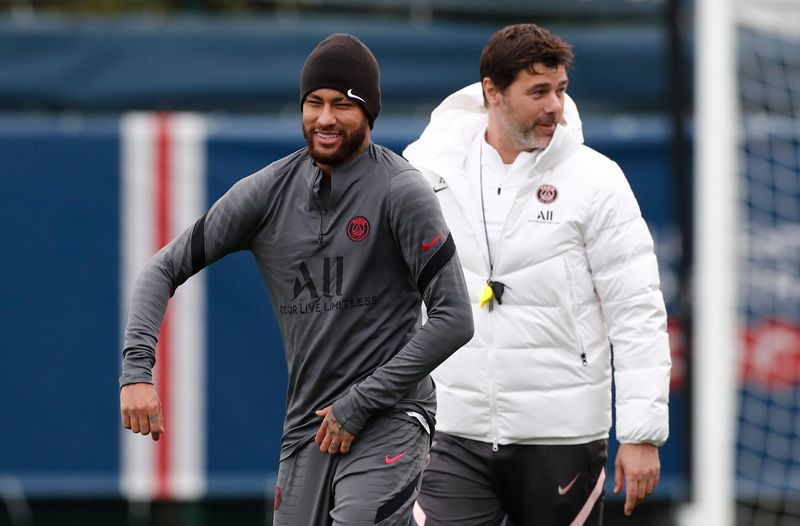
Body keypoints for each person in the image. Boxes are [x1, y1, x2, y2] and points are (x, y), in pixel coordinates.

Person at [119, 33, 473, 526]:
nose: (325, 118)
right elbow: (161, 269)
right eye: (314, 103)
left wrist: (361, 400)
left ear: (369, 113)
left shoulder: (402, 190)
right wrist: (137, 372)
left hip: (391, 417)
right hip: (308, 429)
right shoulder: (266, 192)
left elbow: (456, 318)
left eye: (342, 105)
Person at [403, 23, 671, 525]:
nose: (555, 106)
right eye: (538, 92)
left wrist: (640, 434)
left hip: (561, 437)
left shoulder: (597, 180)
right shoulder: (423, 172)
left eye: (561, 90)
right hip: (451, 430)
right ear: (492, 93)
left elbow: (637, 313)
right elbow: (385, 297)